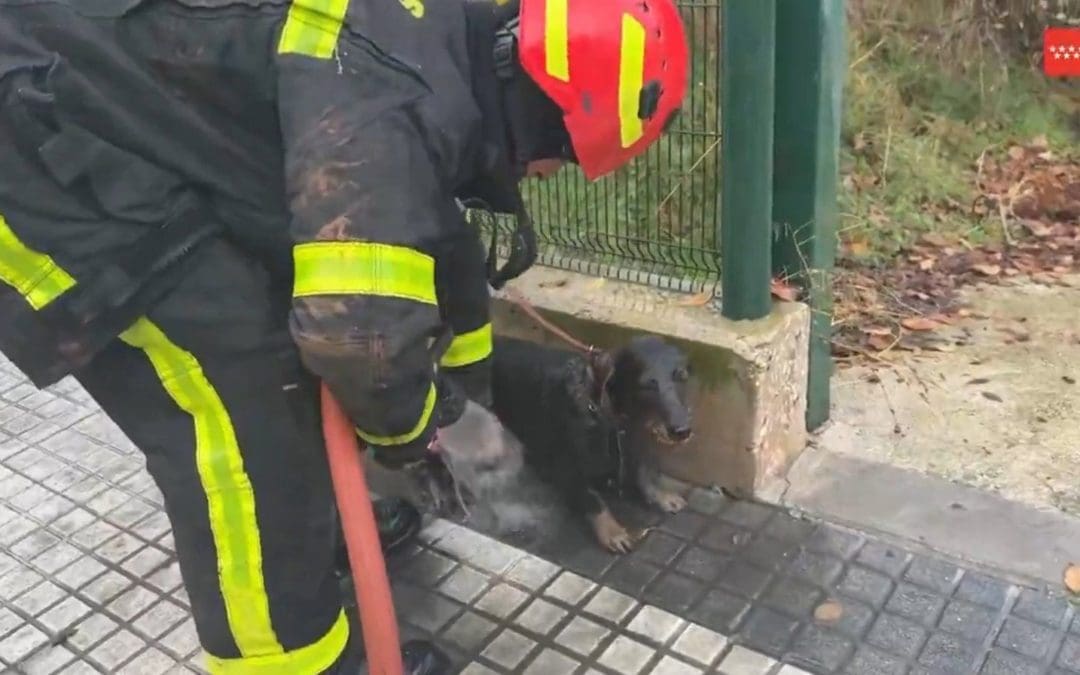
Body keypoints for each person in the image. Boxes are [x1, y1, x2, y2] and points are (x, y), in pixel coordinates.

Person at [0, 0, 689, 670]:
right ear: (543, 117)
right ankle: (297, 661)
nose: (545, 175)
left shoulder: (437, 53)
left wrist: (469, 401)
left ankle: (319, 533)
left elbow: (438, 252)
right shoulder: (389, 102)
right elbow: (358, 342)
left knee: (282, 325)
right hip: (34, 146)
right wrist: (421, 432)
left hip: (97, 108)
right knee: (245, 396)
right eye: (561, 158)